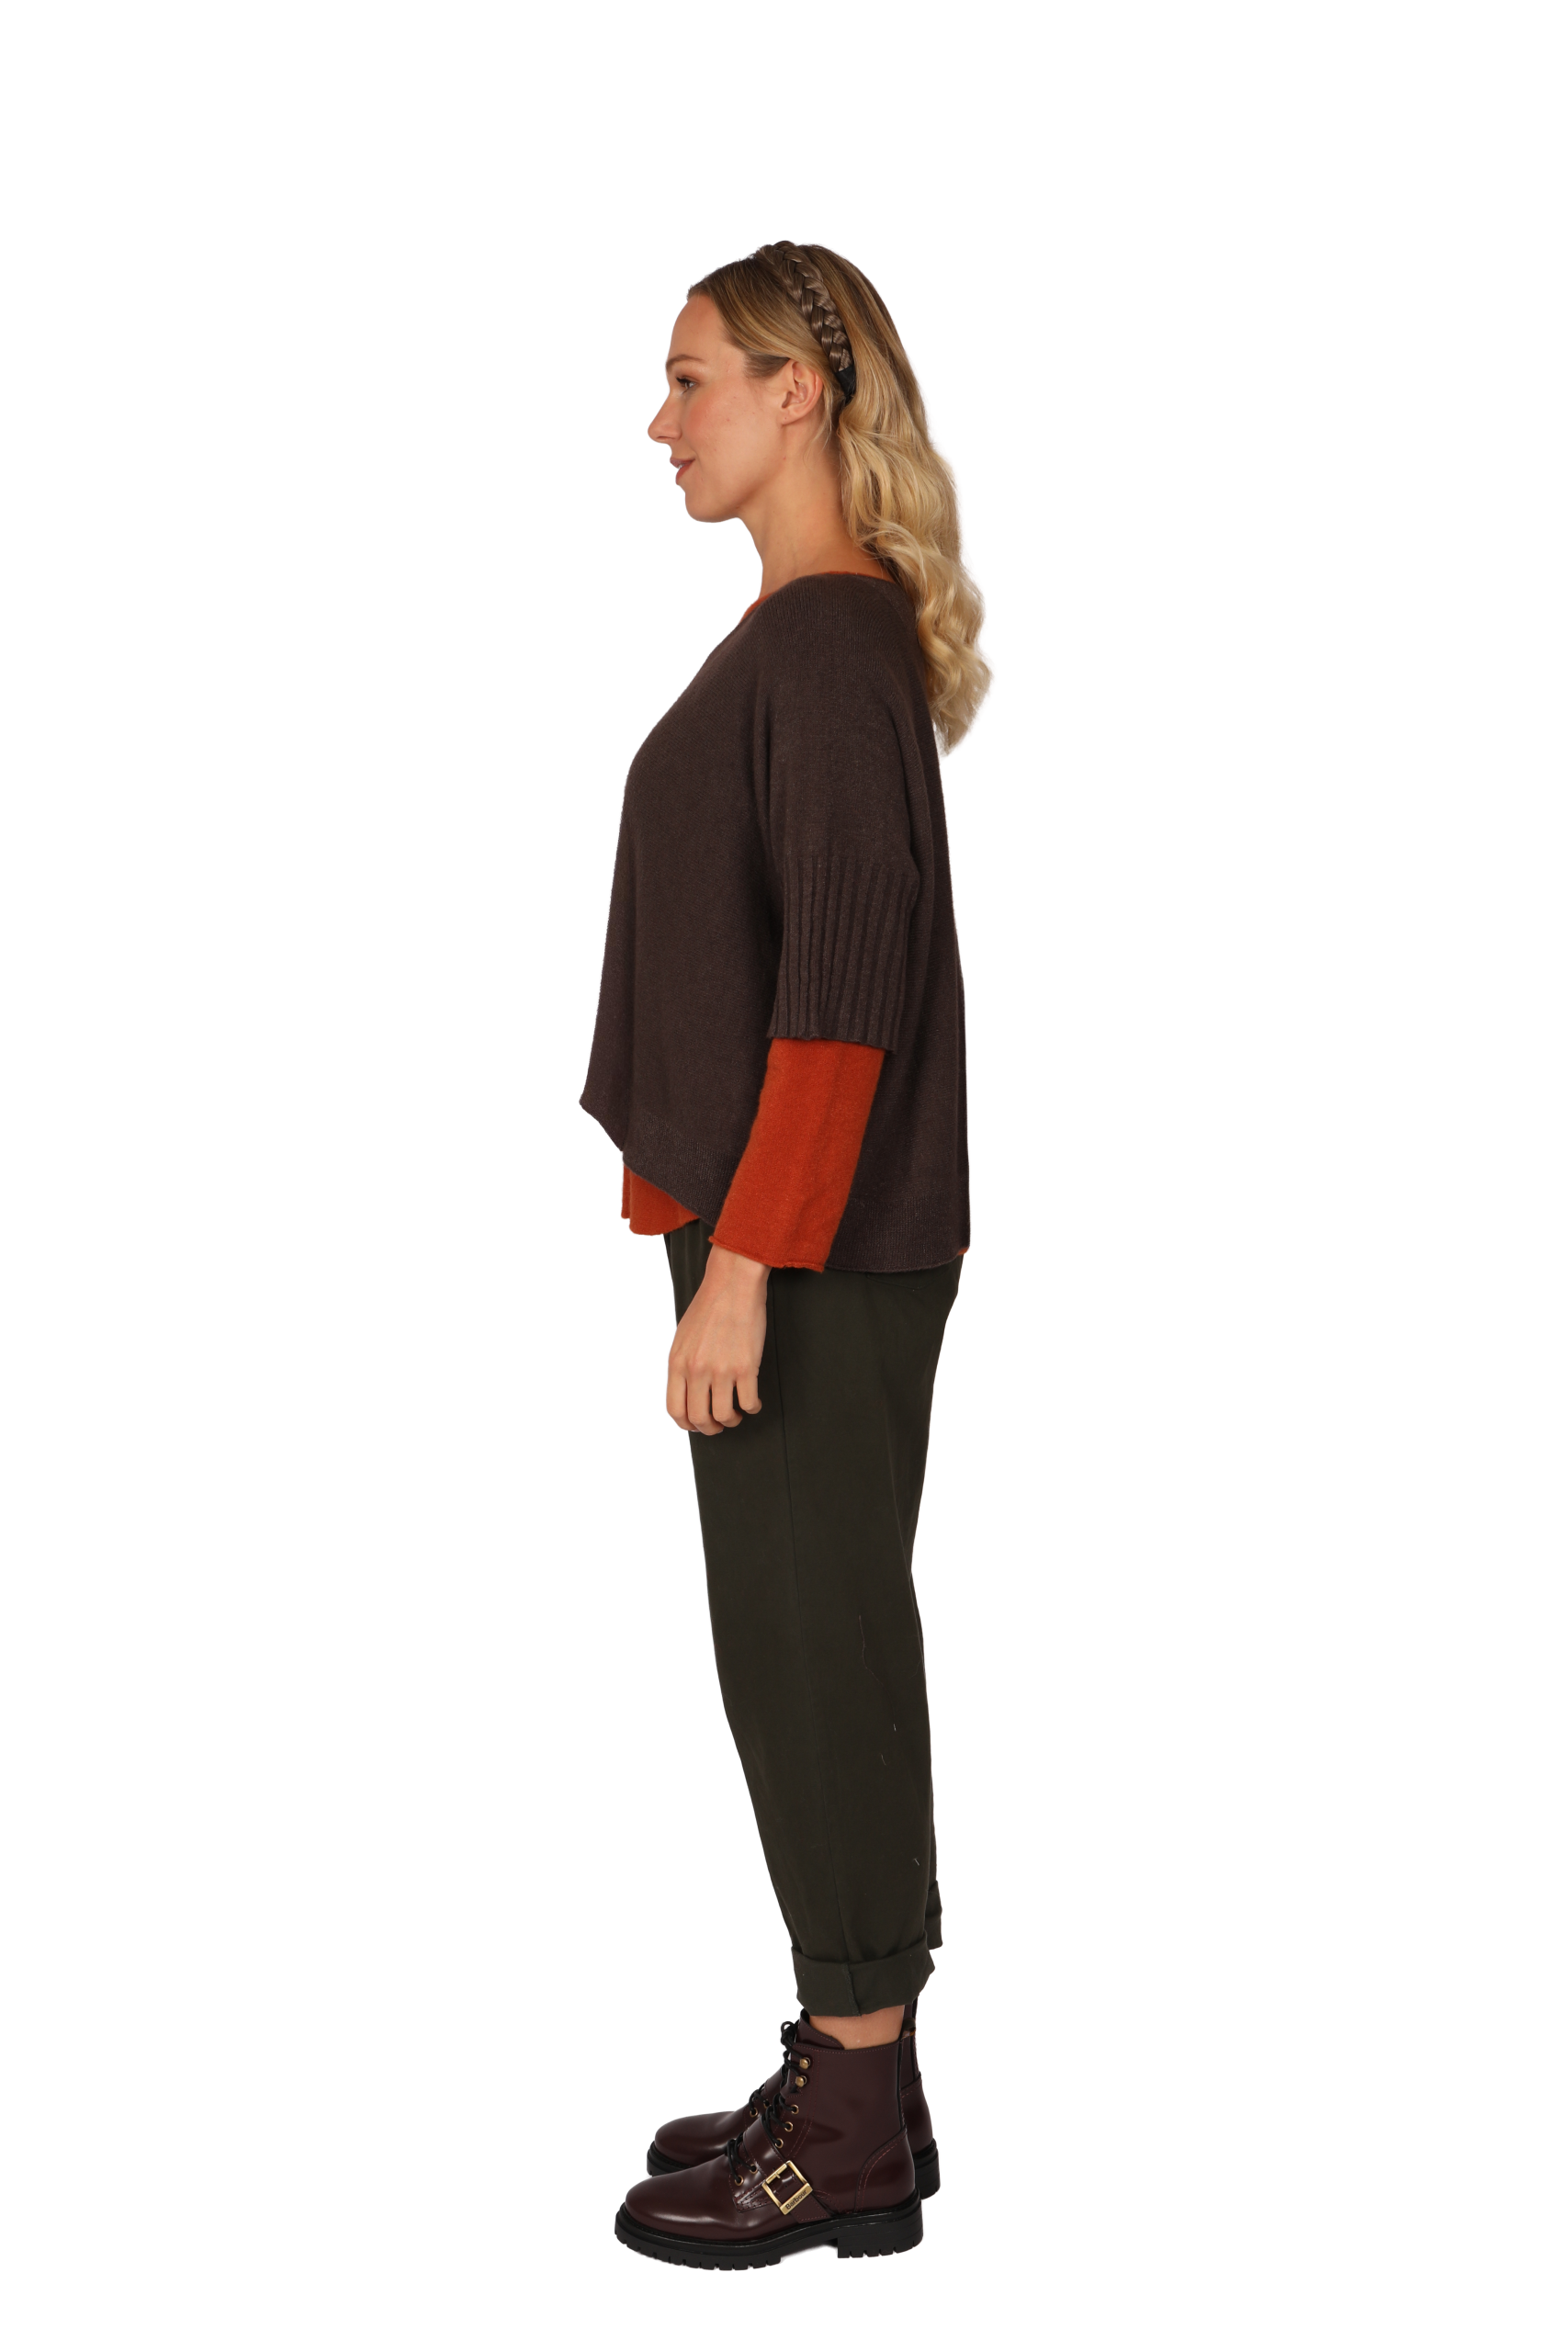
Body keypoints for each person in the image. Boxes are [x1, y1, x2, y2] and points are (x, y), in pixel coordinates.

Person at [581, 242, 988, 2269]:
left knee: (811, 1644)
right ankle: (856, 2080)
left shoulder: (824, 647)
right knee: (796, 1635)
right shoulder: (805, 638)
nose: (661, 423)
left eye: (692, 381)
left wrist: (744, 1264)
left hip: (805, 1247)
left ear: (796, 393)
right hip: (785, 1232)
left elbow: (840, 999)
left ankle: (849, 2109)